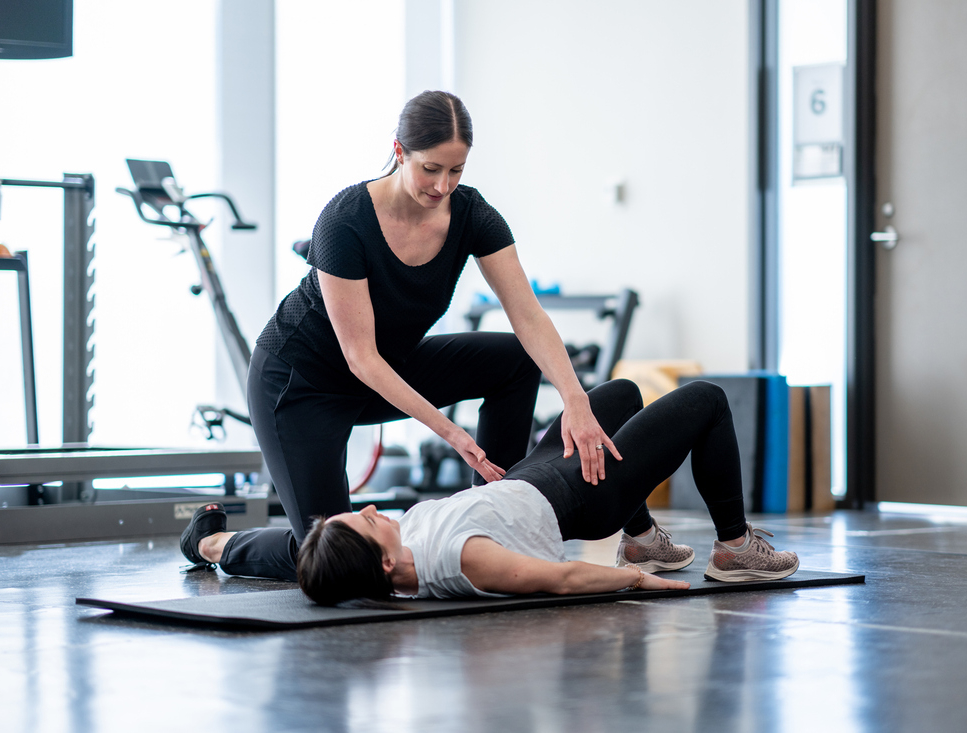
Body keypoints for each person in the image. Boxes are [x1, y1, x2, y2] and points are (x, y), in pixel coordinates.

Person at [179, 91, 691, 580]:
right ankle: (213, 543)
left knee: (514, 359)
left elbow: (528, 317)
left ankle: (487, 520)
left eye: (456, 170)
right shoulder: (345, 220)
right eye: (430, 168)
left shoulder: (471, 214)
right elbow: (361, 359)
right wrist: (451, 433)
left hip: (389, 366)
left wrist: (575, 399)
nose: (442, 185)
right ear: (399, 152)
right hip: (301, 384)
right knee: (335, 552)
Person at [284, 379, 798, 603]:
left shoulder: (388, 560)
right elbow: (564, 579)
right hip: (585, 497)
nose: (372, 507)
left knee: (619, 396)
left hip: (534, 474)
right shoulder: (459, 559)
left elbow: (326, 573)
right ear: (384, 566)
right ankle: (735, 547)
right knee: (707, 400)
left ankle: (642, 536)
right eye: (367, 520)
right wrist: (638, 582)